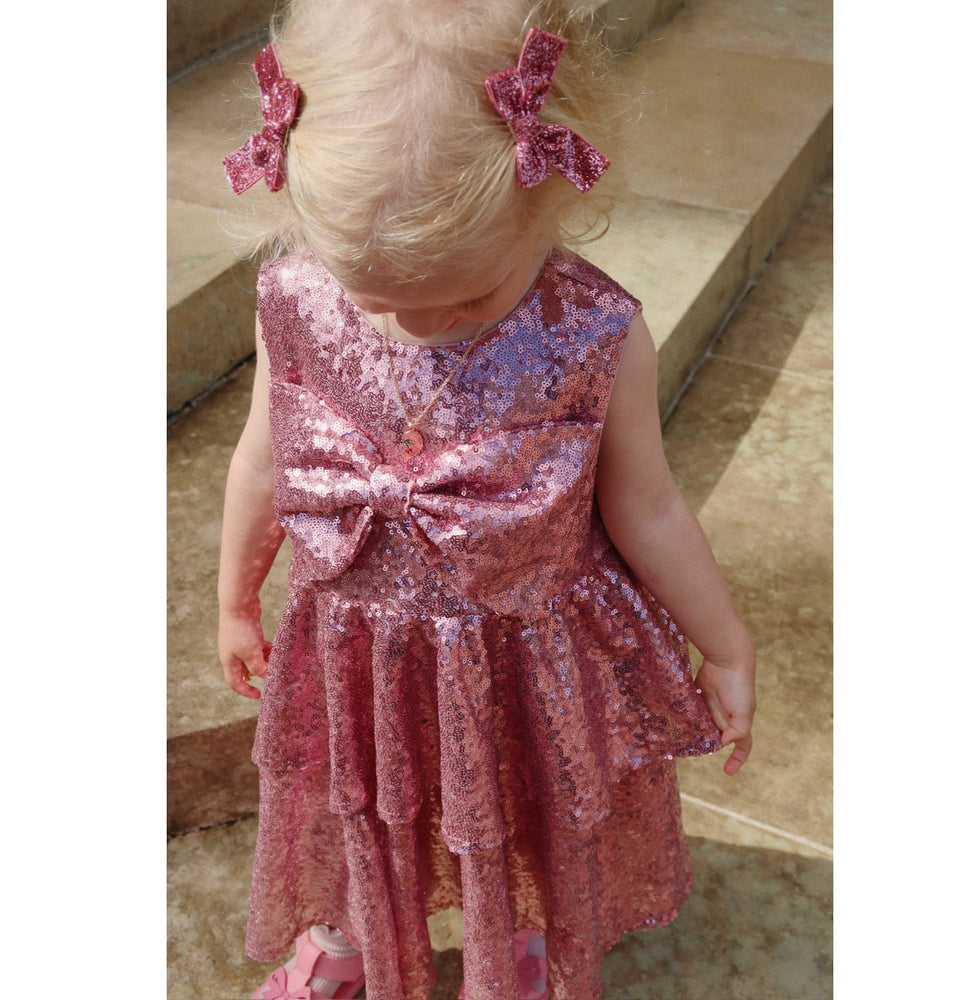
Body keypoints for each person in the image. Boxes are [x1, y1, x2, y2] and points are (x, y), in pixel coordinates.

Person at [216, 2, 756, 998]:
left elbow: (648, 509)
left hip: (519, 656)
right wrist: (236, 597)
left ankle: (519, 940)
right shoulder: (291, 302)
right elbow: (261, 460)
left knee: (512, 804)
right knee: (353, 797)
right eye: (377, 298)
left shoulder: (593, 332)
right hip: (356, 649)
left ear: (545, 198)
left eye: (466, 297)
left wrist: (722, 643)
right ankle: (344, 933)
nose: (423, 323)